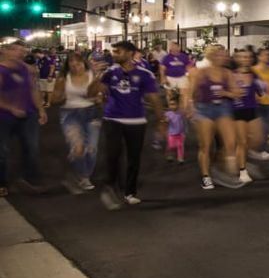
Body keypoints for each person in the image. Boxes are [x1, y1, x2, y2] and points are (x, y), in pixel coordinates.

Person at [89, 40, 160, 208]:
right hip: (113, 119)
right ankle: (110, 189)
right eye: (114, 51)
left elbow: (154, 98)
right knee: (112, 155)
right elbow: (92, 93)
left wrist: (162, 120)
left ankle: (130, 192)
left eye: (118, 51)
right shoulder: (109, 72)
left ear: (129, 53)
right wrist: (96, 75)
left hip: (136, 120)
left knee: (133, 158)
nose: (114, 54)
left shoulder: (145, 74)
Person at [184, 45, 240, 190]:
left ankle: (227, 171)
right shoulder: (200, 72)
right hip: (204, 109)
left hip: (223, 108)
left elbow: (236, 93)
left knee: (230, 143)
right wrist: (190, 107)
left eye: (224, 55)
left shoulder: (227, 73)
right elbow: (190, 93)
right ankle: (205, 176)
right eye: (219, 55)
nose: (223, 58)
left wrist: (226, 93)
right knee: (206, 145)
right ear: (211, 56)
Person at [0, 41, 45, 197]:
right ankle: (2, 182)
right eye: (17, 50)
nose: (20, 53)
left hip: (28, 114)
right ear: (6, 51)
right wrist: (11, 107)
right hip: (4, 117)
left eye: (23, 51)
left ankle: (28, 179)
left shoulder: (27, 69)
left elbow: (33, 89)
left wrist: (40, 109)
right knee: (3, 150)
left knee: (31, 147)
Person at [54, 51, 101, 191]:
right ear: (68, 65)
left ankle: (84, 173)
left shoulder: (93, 75)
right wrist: (63, 97)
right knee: (78, 148)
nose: (75, 66)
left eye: (78, 63)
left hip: (91, 113)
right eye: (71, 64)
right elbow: (54, 100)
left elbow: (97, 95)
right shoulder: (63, 78)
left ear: (84, 63)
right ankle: (84, 176)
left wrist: (98, 98)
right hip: (70, 114)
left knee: (92, 149)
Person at [230, 50, 266, 184]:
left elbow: (261, 93)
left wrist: (262, 89)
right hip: (238, 110)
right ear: (237, 59)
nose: (246, 59)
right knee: (242, 142)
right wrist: (233, 93)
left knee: (258, 139)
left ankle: (241, 156)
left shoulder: (254, 74)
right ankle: (242, 171)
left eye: (249, 57)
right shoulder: (231, 75)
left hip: (252, 109)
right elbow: (226, 91)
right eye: (243, 57)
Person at [251, 49, 269, 161]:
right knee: (261, 128)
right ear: (258, 56)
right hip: (257, 103)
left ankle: (257, 149)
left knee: (265, 129)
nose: (268, 56)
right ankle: (258, 150)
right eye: (265, 54)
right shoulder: (253, 70)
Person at [164, 95, 186, 163]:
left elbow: (186, 115)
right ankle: (169, 155)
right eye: (170, 104)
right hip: (172, 133)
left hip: (180, 133)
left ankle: (180, 158)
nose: (172, 106)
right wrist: (166, 120)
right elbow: (166, 119)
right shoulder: (168, 113)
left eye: (174, 104)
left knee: (180, 146)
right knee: (171, 146)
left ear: (178, 105)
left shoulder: (180, 112)